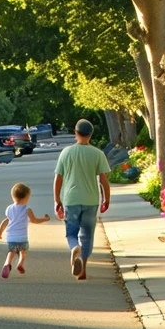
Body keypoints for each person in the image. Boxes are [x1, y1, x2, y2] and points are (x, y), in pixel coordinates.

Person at [53, 119, 111, 280]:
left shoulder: (66, 153)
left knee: (71, 233)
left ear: (75, 133)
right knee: (87, 235)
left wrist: (57, 201)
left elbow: (58, 179)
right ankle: (83, 268)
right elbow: (103, 179)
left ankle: (74, 248)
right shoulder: (98, 153)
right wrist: (106, 199)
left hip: (71, 200)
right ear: (90, 135)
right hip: (91, 200)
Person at [0, 182, 50, 278]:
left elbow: (5, 221)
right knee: (23, 251)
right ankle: (20, 263)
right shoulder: (27, 209)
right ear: (26, 198)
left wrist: (0, 233)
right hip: (22, 237)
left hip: (11, 237)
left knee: (11, 252)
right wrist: (44, 219)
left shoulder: (9, 209)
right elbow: (34, 220)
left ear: (13, 196)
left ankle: (7, 263)